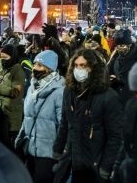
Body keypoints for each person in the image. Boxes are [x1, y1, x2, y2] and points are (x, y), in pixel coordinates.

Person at [53, 49, 123, 183]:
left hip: (93, 164)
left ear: (93, 68)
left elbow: (115, 136)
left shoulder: (108, 97)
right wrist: (58, 149)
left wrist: (105, 167)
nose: (78, 69)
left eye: (83, 65)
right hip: (71, 159)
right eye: (76, 65)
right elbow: (65, 123)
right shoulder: (69, 91)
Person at [15, 50, 64, 183]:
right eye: (35, 64)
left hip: (49, 153)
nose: (35, 68)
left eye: (40, 65)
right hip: (30, 148)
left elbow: (63, 125)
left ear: (49, 69)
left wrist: (60, 151)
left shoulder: (59, 91)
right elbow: (27, 118)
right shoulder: (31, 87)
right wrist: (20, 138)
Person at [107, 29, 137, 106]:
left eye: (122, 45)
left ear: (129, 45)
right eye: (117, 46)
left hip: (135, 102)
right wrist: (113, 80)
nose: (119, 48)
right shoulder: (114, 59)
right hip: (119, 101)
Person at [0, 44, 25, 149]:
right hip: (2, 112)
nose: (3, 60)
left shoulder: (17, 70)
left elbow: (15, 92)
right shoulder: (3, 69)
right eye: (1, 57)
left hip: (12, 114)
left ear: (13, 56)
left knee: (10, 145)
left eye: (5, 58)